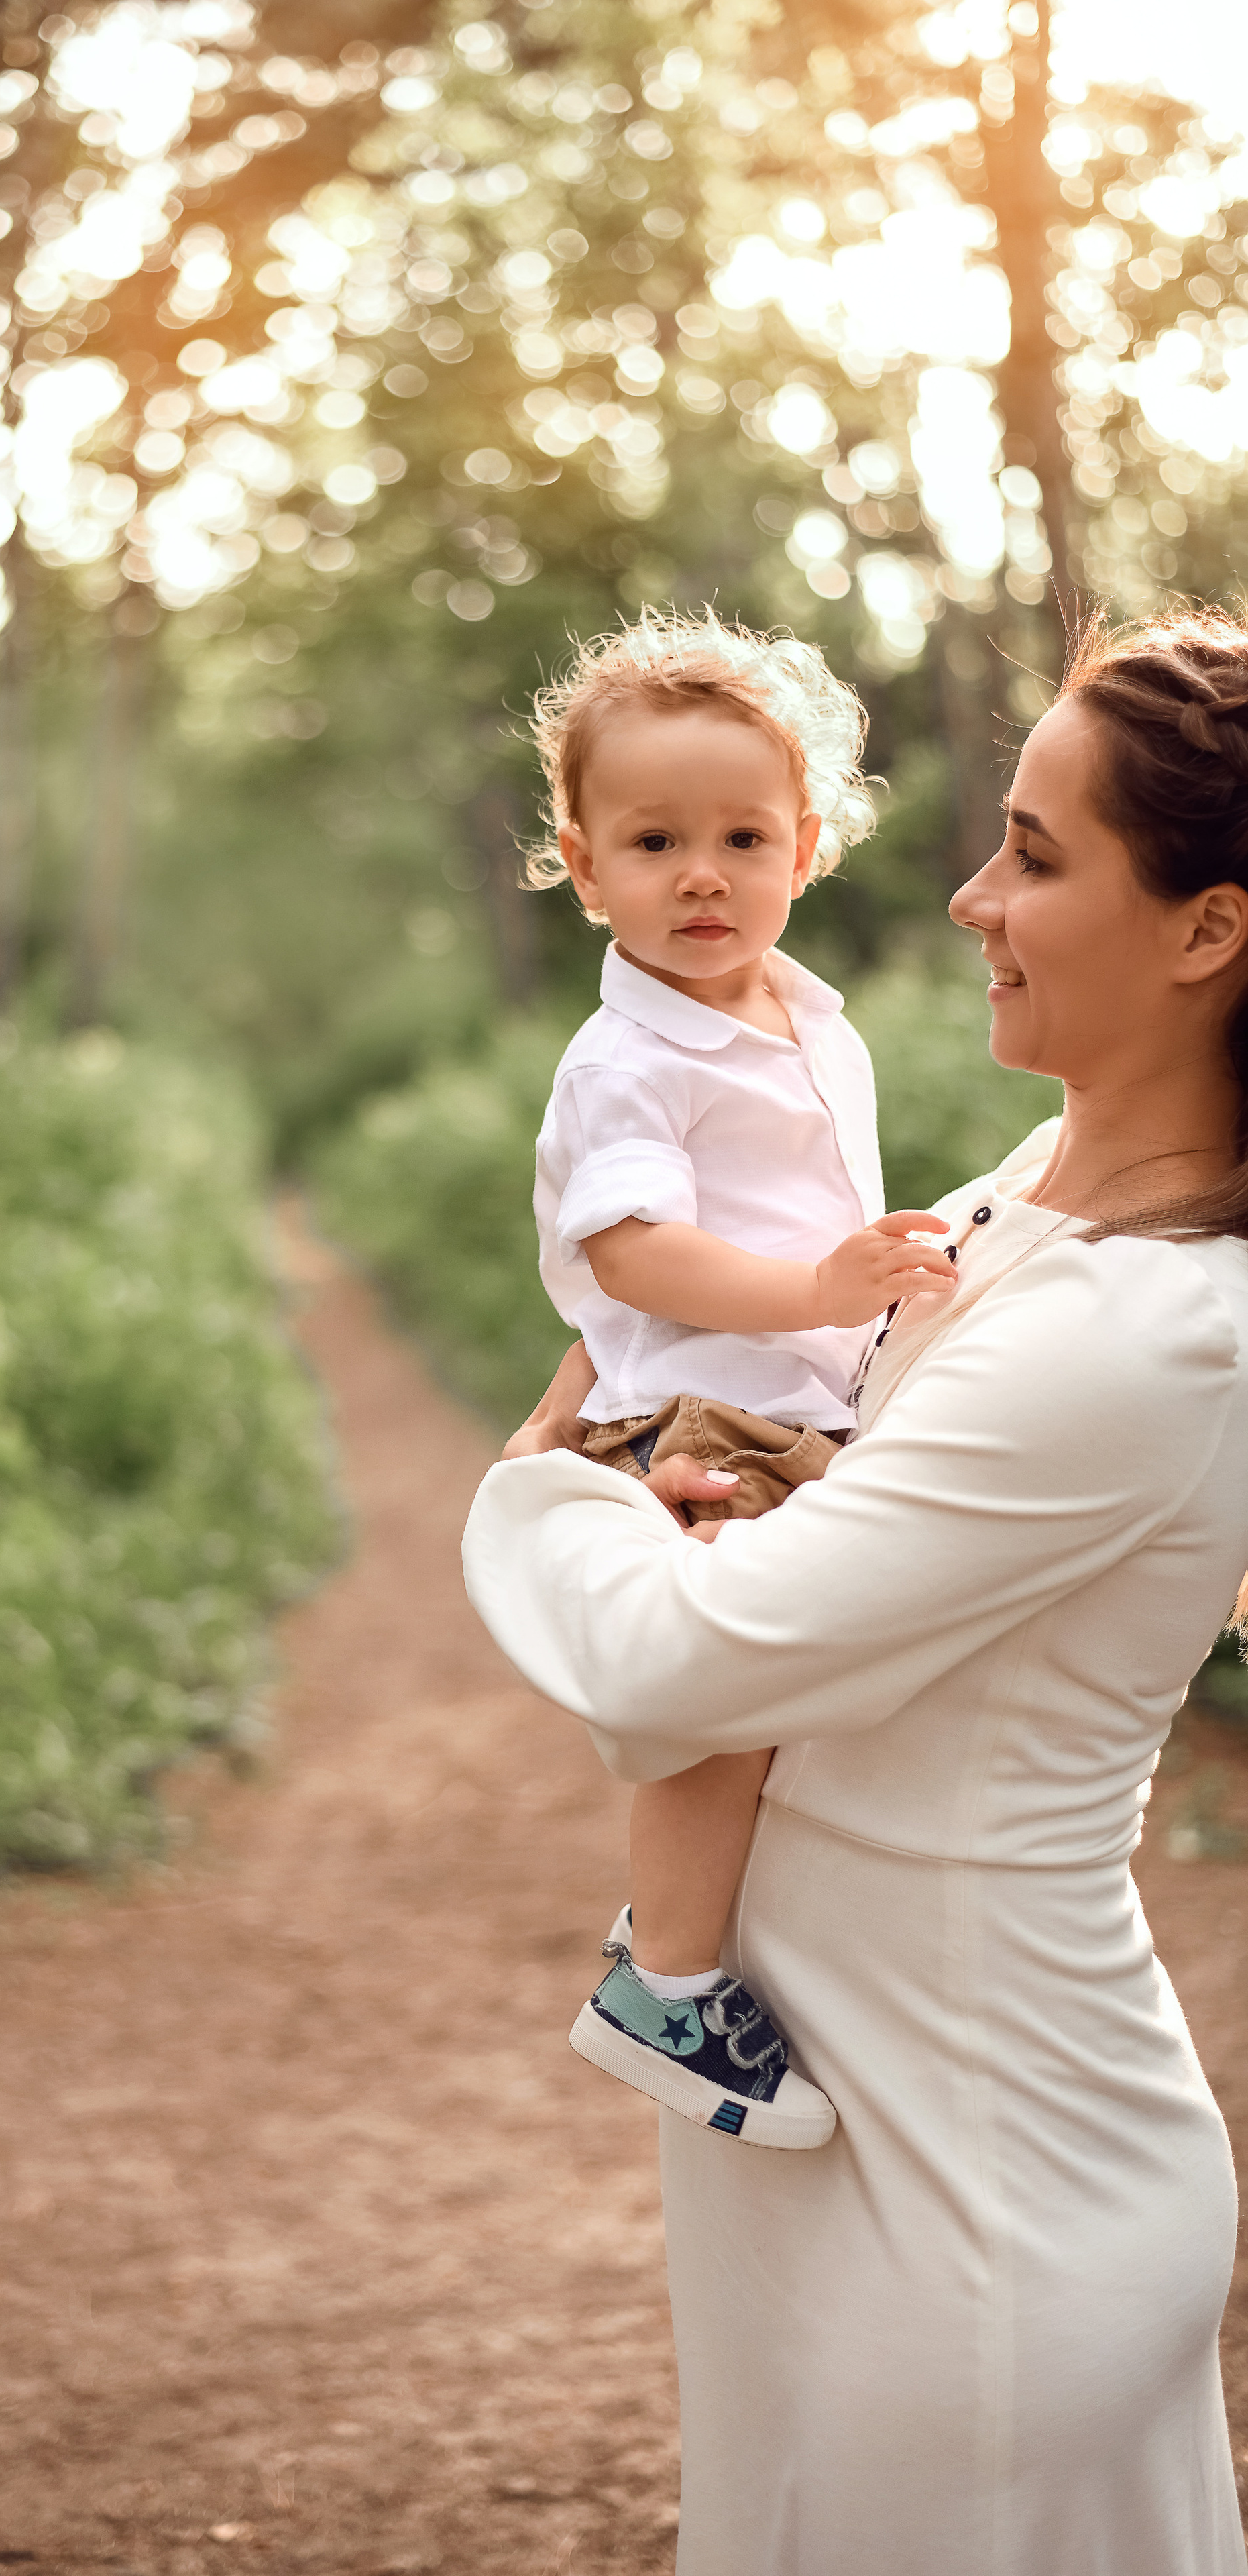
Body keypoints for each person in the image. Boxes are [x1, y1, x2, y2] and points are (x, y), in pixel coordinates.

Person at [463, 607, 1248, 2576]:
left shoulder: (1147, 1326)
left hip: (971, 2186)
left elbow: (676, 1661)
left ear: (1210, 931)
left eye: (1043, 857)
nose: (975, 894)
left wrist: (534, 1489)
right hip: (855, 2134)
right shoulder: (1003, 1216)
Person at [510, 611, 958, 2145]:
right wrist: (818, 1290)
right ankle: (665, 1975)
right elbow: (632, 1253)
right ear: (582, 868)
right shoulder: (628, 1057)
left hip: (804, 1398)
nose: (700, 874)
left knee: (842, 1679)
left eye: (739, 836)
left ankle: (813, 1944)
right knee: (729, 1705)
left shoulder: (803, 1017)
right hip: (717, 1415)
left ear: (806, 846)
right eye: (651, 842)